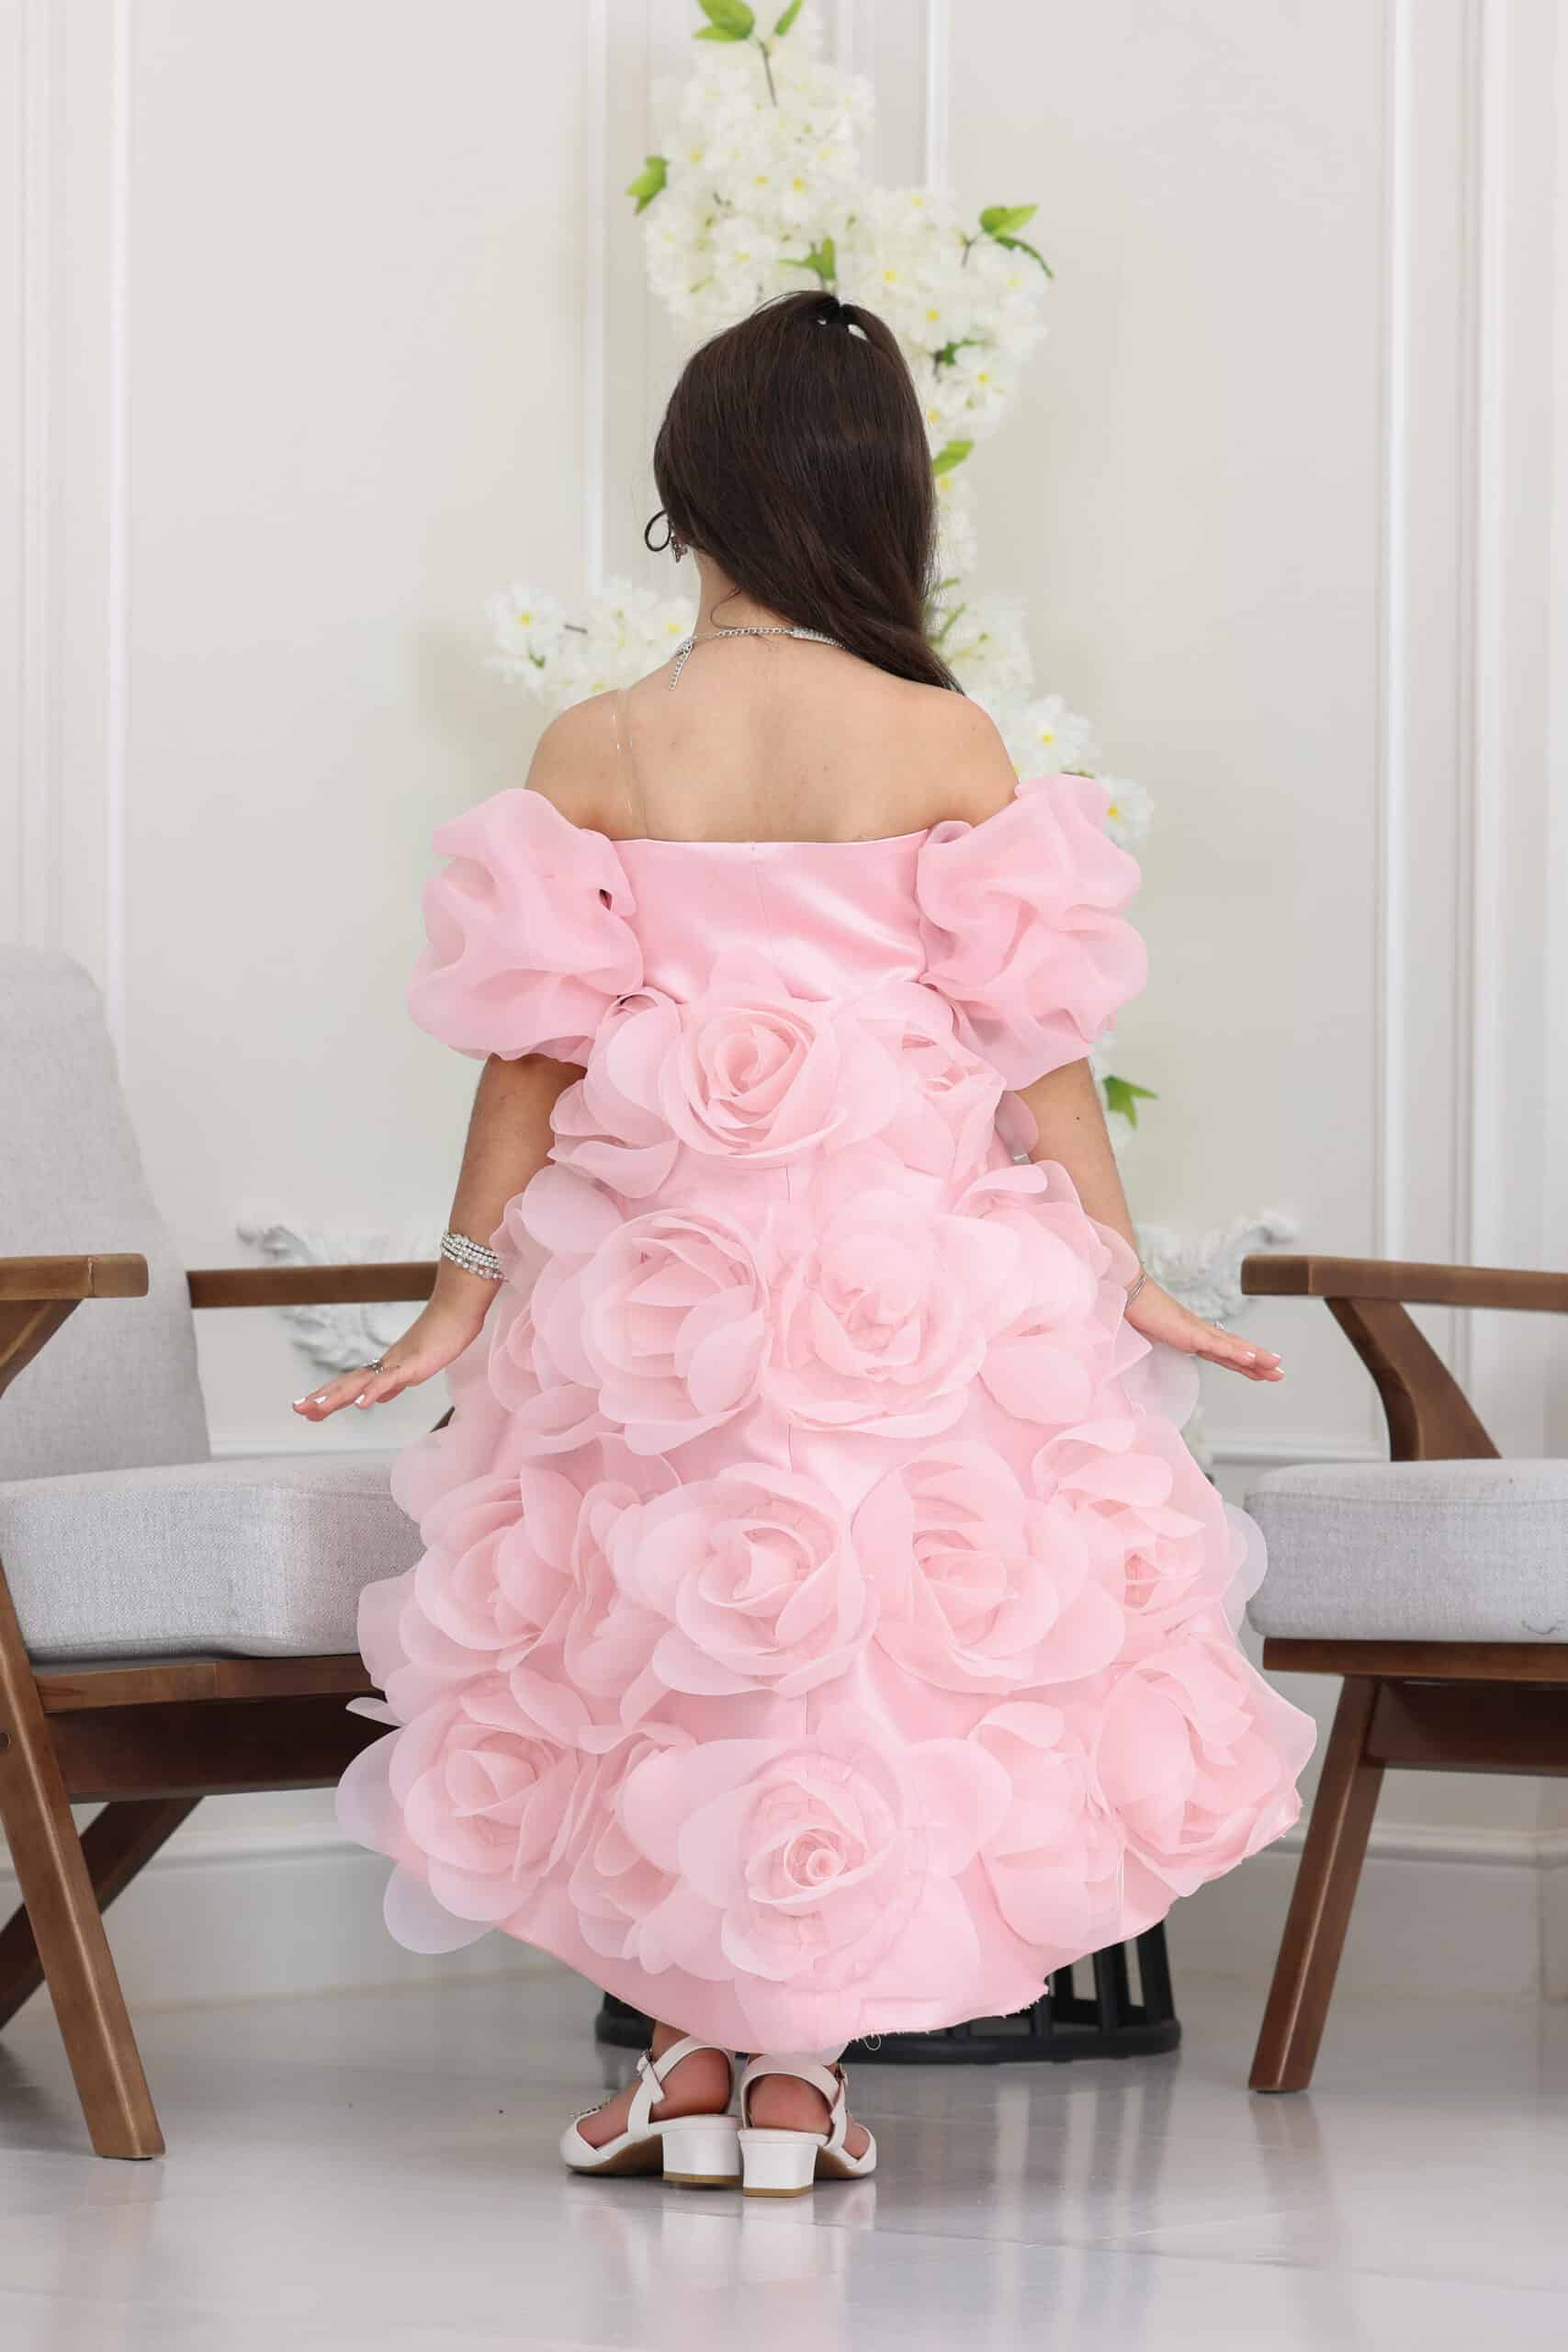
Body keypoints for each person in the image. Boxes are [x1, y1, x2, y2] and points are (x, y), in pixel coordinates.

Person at [295, 288, 1314, 2199]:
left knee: (675, 1641)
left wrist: (460, 1293)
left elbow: (531, 1054)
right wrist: (1121, 1269)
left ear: (688, 493)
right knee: (851, 1651)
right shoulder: (939, 736)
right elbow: (1036, 1045)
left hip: (656, 1281)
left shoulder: (603, 741)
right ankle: (787, 2078)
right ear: (876, 499)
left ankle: (696, 2060)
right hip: (904, 1273)